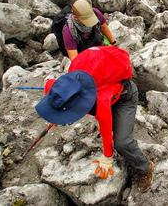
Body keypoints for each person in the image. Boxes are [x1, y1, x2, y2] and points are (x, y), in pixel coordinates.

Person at [35, 46, 154, 192]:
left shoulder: (101, 99)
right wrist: (57, 110)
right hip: (109, 93)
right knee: (113, 128)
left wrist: (107, 157)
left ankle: (145, 168)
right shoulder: (71, 78)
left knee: (122, 143)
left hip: (124, 97)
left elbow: (104, 122)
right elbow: (55, 88)